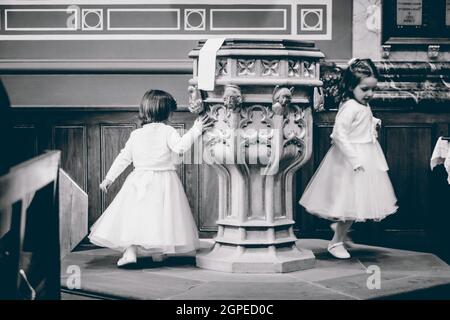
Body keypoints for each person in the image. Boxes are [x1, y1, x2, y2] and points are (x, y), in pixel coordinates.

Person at [88, 89, 213, 267]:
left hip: (138, 180)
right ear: (167, 113)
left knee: (135, 217)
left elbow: (123, 158)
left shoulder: (136, 134)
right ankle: (158, 252)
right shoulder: (168, 131)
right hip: (164, 180)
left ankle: (131, 251)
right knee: (160, 217)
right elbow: (179, 148)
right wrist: (197, 129)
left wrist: (108, 179)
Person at [299, 58, 398, 259]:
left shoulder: (361, 104)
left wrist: (374, 122)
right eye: (365, 89)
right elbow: (339, 135)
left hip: (366, 155)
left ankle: (340, 231)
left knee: (355, 204)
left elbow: (363, 122)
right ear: (352, 86)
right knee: (351, 204)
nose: (370, 94)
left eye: (373, 89)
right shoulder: (350, 106)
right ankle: (335, 242)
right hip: (351, 160)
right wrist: (355, 159)